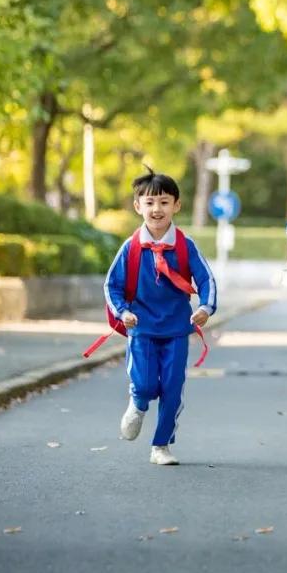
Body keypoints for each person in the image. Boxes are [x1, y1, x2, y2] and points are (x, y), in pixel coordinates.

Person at [104, 167, 216, 466]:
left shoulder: (184, 245)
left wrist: (205, 307)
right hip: (141, 328)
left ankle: (162, 445)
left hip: (178, 329)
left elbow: (207, 280)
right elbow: (111, 285)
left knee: (172, 387)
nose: (157, 209)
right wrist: (123, 311)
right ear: (138, 206)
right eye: (150, 202)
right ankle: (138, 405)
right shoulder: (131, 248)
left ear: (177, 205)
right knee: (143, 385)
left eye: (164, 202)